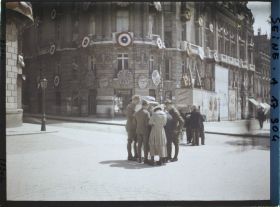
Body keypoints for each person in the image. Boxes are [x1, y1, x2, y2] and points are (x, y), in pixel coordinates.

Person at [125, 95, 140, 161]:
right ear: (134, 100)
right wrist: (136, 112)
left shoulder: (136, 106)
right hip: (131, 126)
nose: (138, 102)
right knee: (130, 141)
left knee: (136, 141)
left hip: (136, 126)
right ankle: (129, 155)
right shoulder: (129, 106)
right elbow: (129, 116)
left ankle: (136, 155)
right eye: (138, 100)